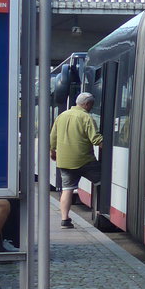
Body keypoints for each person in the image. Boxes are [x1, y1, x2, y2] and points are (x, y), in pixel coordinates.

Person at [49, 91, 102, 228]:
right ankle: (102, 210)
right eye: (91, 104)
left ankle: (65, 220)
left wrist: (52, 151)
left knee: (67, 189)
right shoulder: (86, 117)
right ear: (87, 104)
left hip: (65, 161)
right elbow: (96, 139)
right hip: (84, 161)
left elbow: (52, 137)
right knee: (102, 181)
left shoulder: (61, 116)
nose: (91, 107)